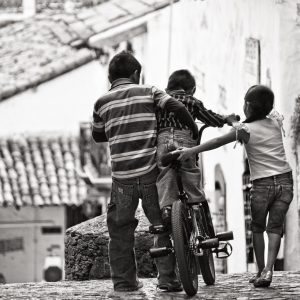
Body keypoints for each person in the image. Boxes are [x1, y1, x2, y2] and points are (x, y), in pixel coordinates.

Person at [92, 51, 198, 292]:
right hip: (152, 174)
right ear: (136, 74)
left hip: (122, 180)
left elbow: (97, 135)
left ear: (110, 77)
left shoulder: (101, 102)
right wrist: (192, 127)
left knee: (119, 232)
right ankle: (167, 279)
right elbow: (175, 105)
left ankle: (124, 283)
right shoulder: (148, 90)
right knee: (162, 225)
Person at [176, 85, 293, 288]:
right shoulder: (275, 121)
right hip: (285, 181)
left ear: (247, 105)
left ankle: (260, 270)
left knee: (257, 228)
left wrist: (191, 150)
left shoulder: (245, 131)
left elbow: (218, 141)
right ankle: (268, 271)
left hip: (263, 184)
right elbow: (270, 110)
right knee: (275, 228)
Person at [156, 69, 235, 224]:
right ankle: (196, 204)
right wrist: (225, 119)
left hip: (163, 139)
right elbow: (211, 118)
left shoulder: (160, 100)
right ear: (192, 90)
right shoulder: (193, 102)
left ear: (167, 88)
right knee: (189, 170)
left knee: (164, 172)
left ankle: (167, 207)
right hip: (184, 139)